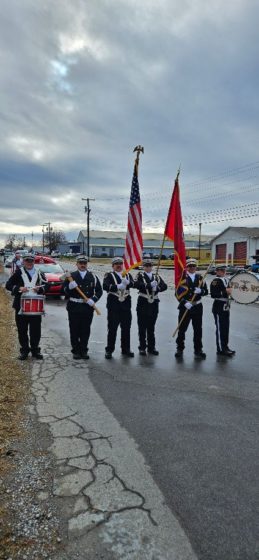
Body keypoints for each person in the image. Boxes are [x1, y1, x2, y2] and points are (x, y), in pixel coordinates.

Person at [5, 253, 46, 360]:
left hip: (35, 307)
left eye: (31, 261)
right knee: (22, 330)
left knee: (35, 330)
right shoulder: (18, 272)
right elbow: (8, 285)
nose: (29, 263)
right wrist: (19, 288)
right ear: (23, 261)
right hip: (20, 306)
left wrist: (40, 289)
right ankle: (24, 351)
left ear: (34, 261)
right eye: (27, 261)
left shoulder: (40, 273)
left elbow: (47, 286)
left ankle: (35, 350)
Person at [63, 255, 102, 360]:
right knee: (74, 329)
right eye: (81, 263)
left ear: (87, 264)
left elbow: (99, 291)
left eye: (84, 263)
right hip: (74, 306)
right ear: (77, 264)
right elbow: (63, 290)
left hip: (87, 307)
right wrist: (69, 287)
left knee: (85, 330)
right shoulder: (70, 276)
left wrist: (93, 300)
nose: (83, 265)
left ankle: (84, 350)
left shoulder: (93, 277)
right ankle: (75, 350)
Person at [175, 258, 208, 359]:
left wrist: (201, 291)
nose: (192, 268)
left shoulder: (200, 278)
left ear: (196, 267)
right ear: (187, 267)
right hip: (186, 306)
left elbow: (206, 291)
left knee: (198, 329)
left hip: (197, 306)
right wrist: (184, 302)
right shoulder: (182, 278)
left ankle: (198, 349)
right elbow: (177, 294)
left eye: (194, 266)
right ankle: (180, 349)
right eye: (190, 266)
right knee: (182, 328)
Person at [134, 259, 167, 355]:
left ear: (152, 267)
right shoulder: (140, 275)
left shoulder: (156, 276)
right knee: (142, 327)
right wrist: (149, 285)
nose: (148, 268)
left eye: (149, 266)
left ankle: (151, 347)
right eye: (146, 266)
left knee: (151, 327)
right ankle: (142, 347)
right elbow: (136, 284)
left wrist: (157, 288)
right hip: (143, 302)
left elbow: (164, 286)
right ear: (143, 267)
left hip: (154, 304)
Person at [103, 257, 134, 359]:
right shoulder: (109, 275)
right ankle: (109, 350)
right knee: (112, 329)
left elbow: (134, 284)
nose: (119, 265)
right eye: (116, 264)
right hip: (114, 305)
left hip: (125, 306)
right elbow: (105, 286)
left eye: (120, 264)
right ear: (113, 266)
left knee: (126, 329)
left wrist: (129, 283)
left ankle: (126, 349)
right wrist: (118, 286)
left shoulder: (127, 275)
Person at [210, 264, 235, 356]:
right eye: (221, 270)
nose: (223, 272)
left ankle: (225, 346)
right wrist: (225, 292)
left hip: (226, 305)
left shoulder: (226, 279)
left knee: (225, 327)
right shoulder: (215, 281)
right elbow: (213, 294)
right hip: (219, 305)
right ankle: (221, 349)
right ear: (217, 271)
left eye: (224, 270)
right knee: (220, 328)